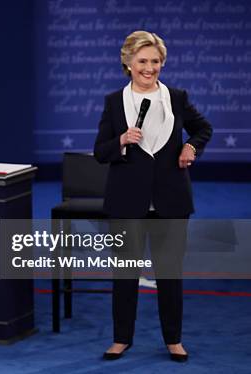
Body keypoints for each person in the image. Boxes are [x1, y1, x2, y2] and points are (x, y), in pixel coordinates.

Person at [94, 31, 212, 362]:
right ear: (128, 63)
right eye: (143, 61)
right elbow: (100, 152)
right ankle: (121, 339)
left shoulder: (176, 97)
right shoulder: (114, 102)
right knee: (126, 273)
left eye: (155, 61)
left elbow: (204, 129)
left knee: (170, 272)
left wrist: (190, 146)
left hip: (171, 201)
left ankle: (173, 339)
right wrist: (120, 140)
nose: (150, 68)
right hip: (127, 201)